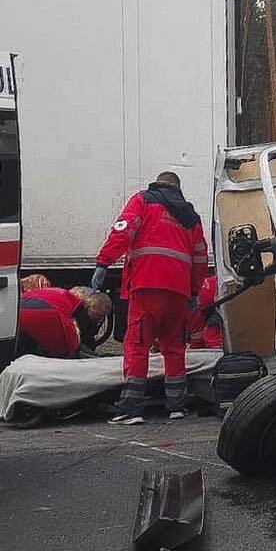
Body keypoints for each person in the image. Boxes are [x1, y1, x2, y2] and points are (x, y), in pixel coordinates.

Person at [92, 171, 209, 425]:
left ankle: (132, 409)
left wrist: (103, 262)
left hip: (147, 284)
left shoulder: (143, 200)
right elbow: (201, 256)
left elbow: (123, 231)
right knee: (175, 347)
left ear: (158, 183)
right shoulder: (190, 217)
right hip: (179, 291)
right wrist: (195, 291)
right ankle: (177, 407)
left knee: (138, 344)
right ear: (178, 189)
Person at [0, 286, 112, 417]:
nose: (98, 321)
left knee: (1, 359)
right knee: (63, 358)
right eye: (97, 316)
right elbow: (80, 342)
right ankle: (41, 398)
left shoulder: (62, 293)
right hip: (43, 315)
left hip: (19, 311)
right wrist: (94, 359)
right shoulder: (79, 310)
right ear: (89, 306)